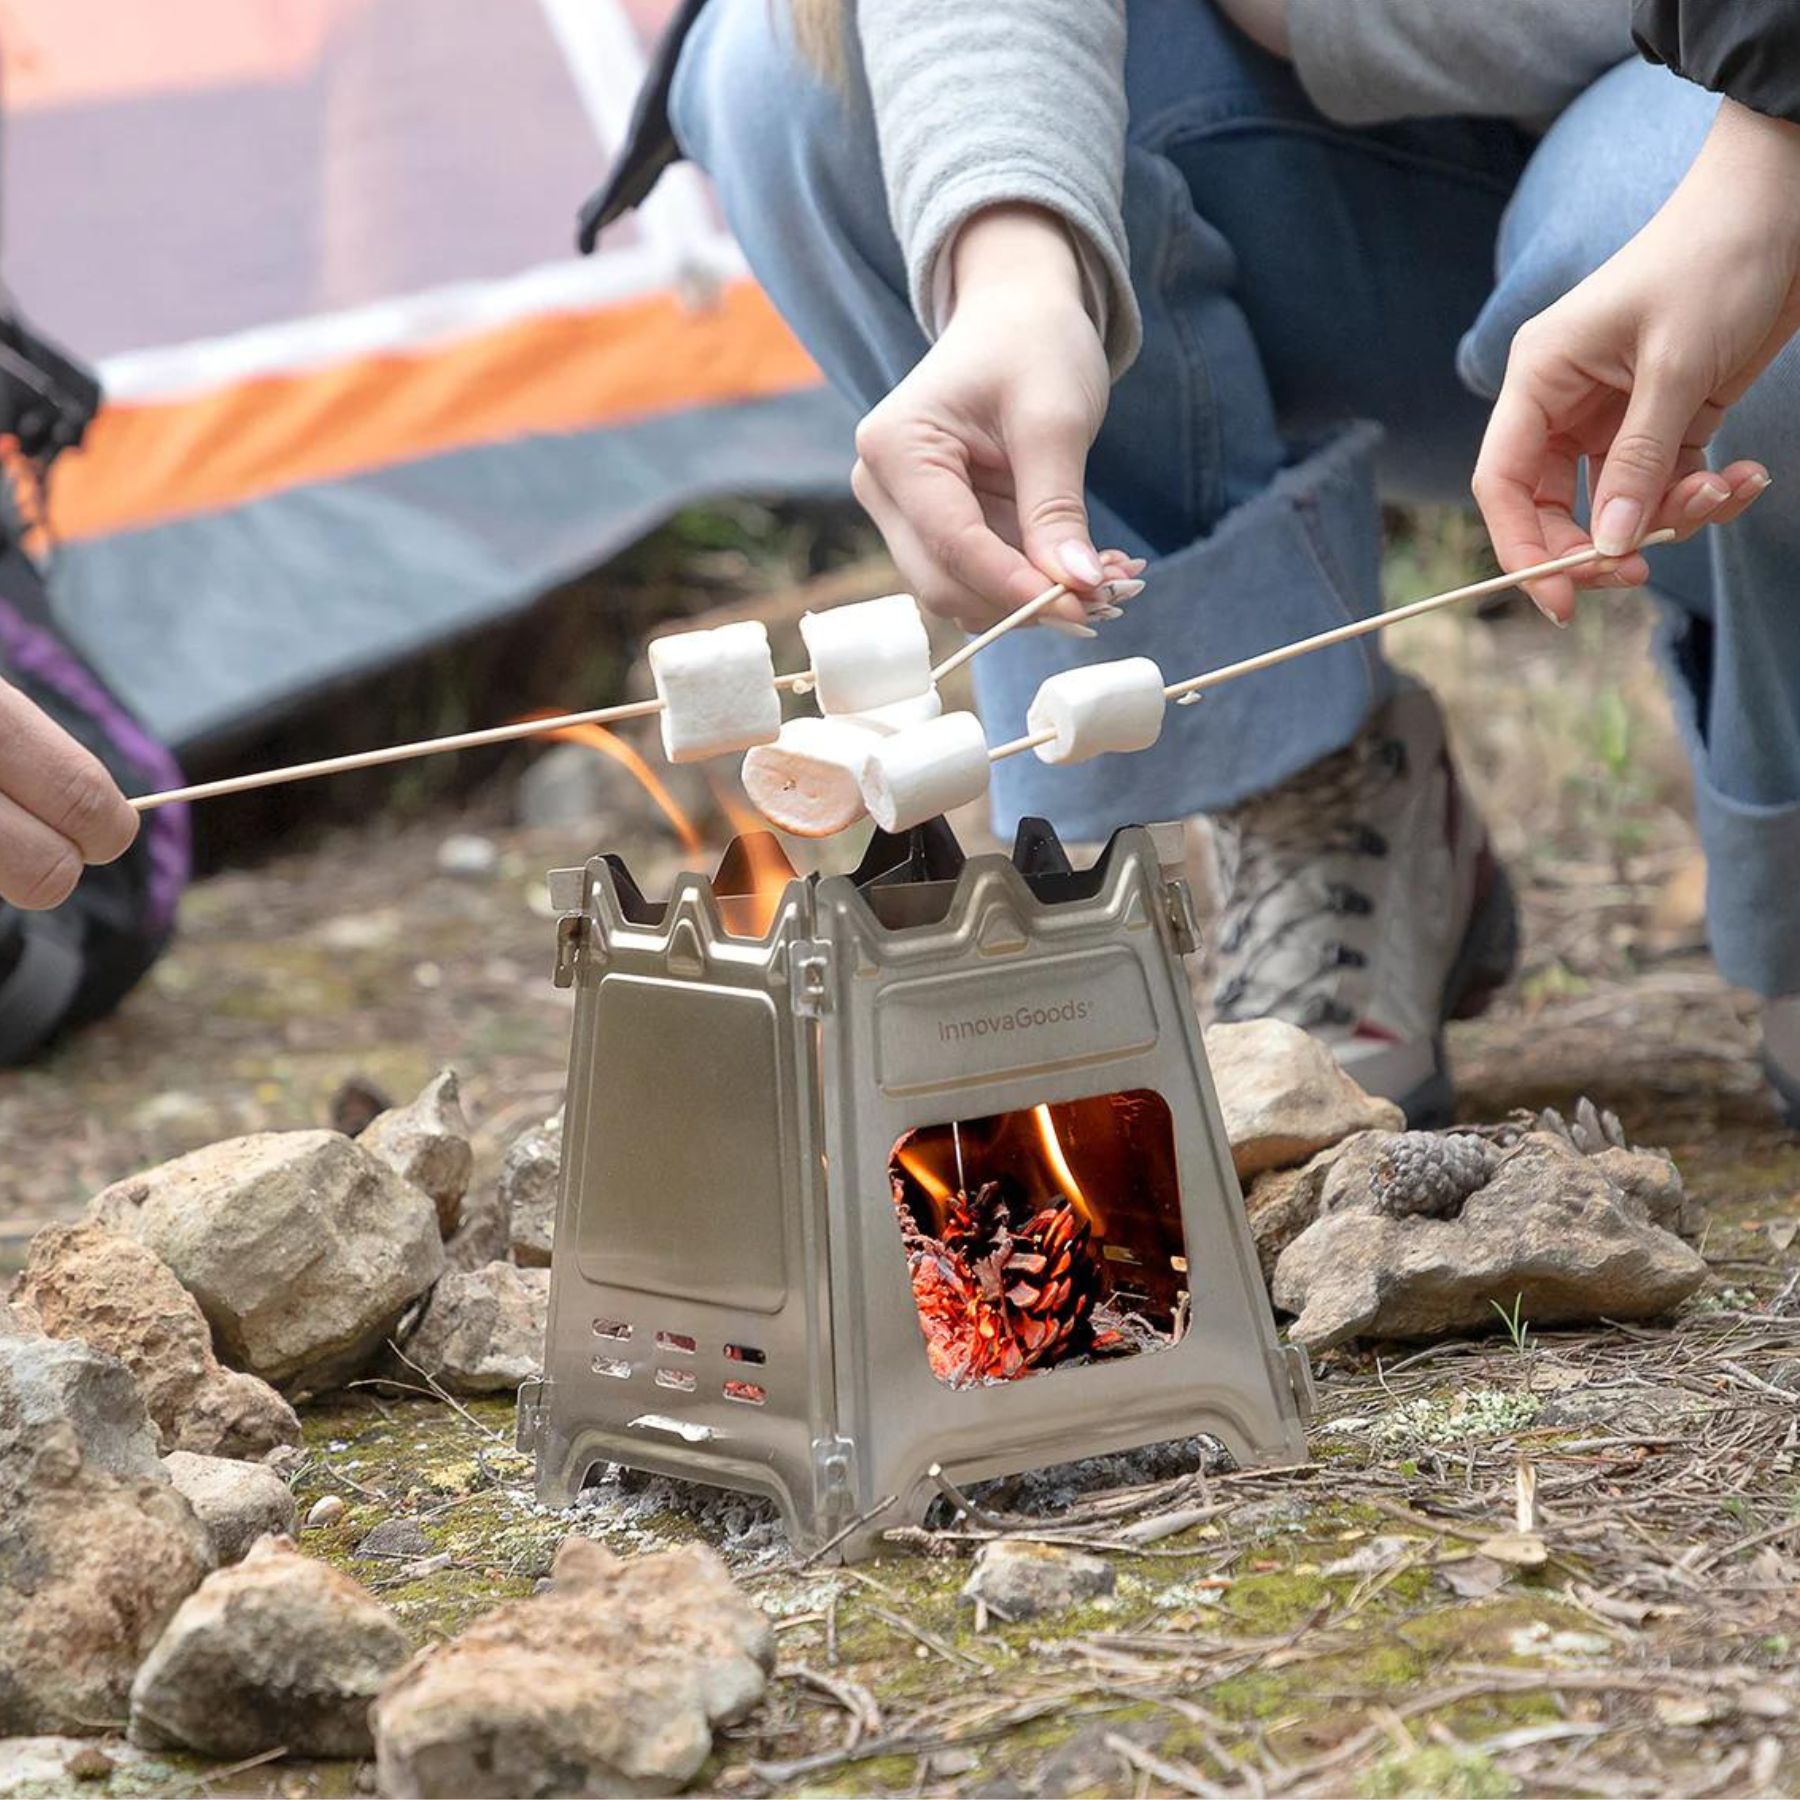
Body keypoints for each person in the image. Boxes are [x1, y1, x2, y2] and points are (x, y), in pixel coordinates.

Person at [584, 0, 1800, 1123]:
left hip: (1723, 108)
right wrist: (1013, 263)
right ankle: (1311, 791)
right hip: (1353, 175)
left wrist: (1772, 158)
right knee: (798, 63)